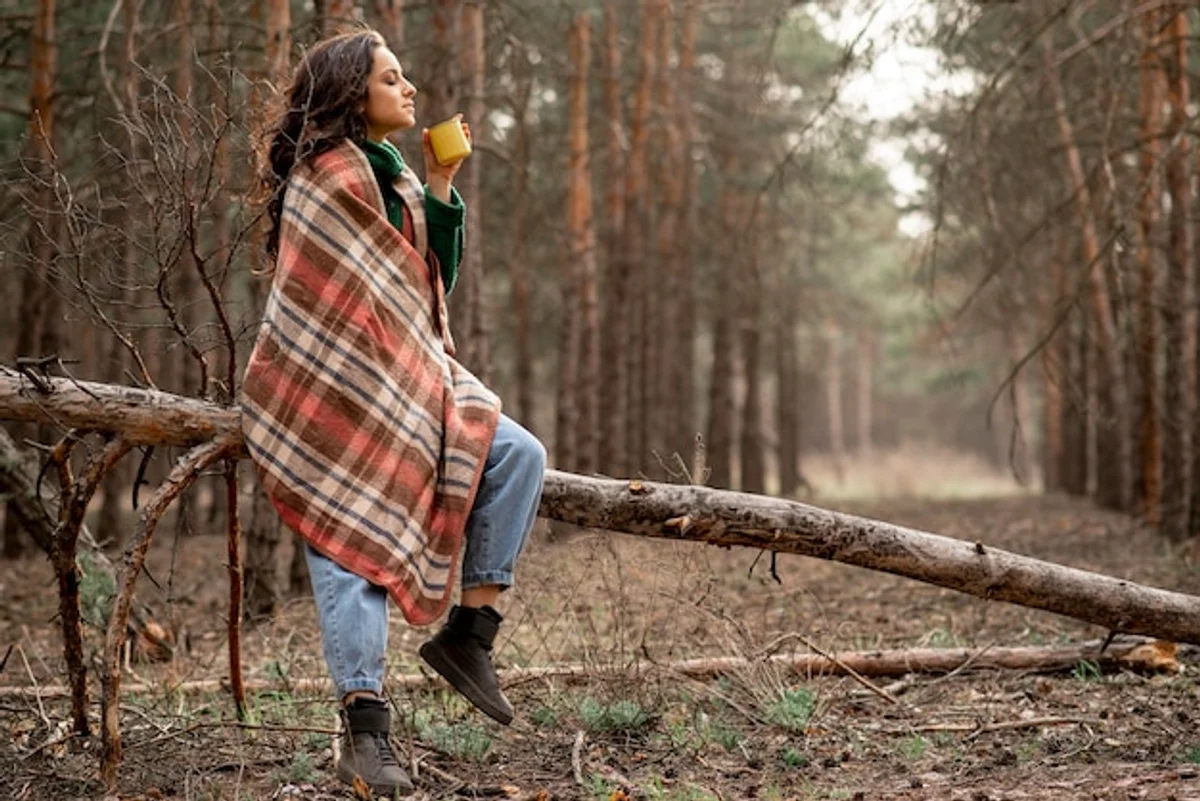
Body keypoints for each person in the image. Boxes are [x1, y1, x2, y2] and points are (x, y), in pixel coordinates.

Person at [241, 29, 546, 796]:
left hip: (410, 381)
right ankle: (365, 732)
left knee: (517, 457)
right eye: (391, 79)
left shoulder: (398, 174)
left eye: (405, 79)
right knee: (352, 549)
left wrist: (440, 181)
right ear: (353, 95)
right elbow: (330, 299)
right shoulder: (326, 175)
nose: (409, 90)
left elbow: (426, 283)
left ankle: (470, 636)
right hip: (330, 391)